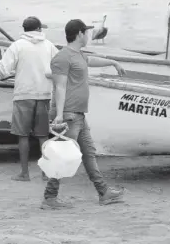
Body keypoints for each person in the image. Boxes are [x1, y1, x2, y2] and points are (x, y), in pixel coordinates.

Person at [42, 19, 126, 209]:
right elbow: (60, 86)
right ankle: (50, 197)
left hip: (79, 114)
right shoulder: (62, 58)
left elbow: (91, 61)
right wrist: (59, 115)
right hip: (69, 114)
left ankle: (103, 192)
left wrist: (113, 62)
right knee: (64, 156)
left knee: (88, 153)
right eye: (86, 32)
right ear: (79, 34)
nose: (89, 35)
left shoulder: (77, 55)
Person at [0, 17, 59, 182]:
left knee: (22, 135)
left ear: (24, 30)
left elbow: (2, 70)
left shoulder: (17, 46)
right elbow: (59, 67)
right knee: (43, 136)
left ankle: (24, 174)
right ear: (39, 29)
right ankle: (46, 173)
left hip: (23, 95)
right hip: (44, 95)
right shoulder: (50, 46)